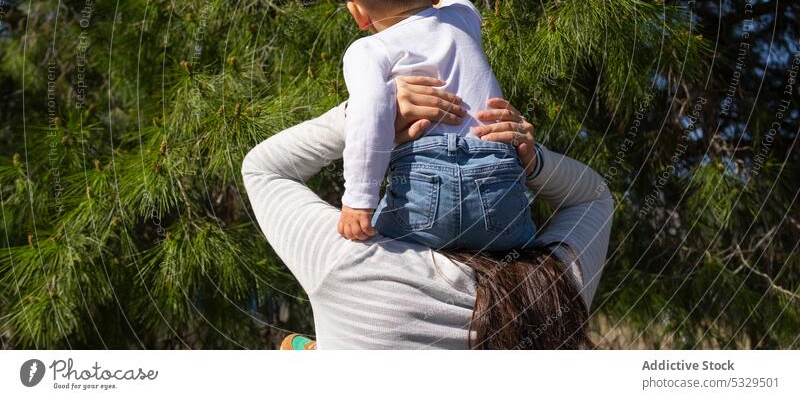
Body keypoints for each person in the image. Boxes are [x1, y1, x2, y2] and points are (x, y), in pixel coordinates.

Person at [241, 77, 614, 349]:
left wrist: (369, 116)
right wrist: (533, 160)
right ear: (508, 183)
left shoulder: (350, 264)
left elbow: (263, 169)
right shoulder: (552, 286)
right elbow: (593, 198)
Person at [338, 0, 535, 251]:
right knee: (523, 249)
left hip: (423, 180)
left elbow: (367, 114)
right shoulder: (463, 18)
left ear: (357, 14)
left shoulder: (367, 50)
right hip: (497, 173)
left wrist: (359, 199)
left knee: (375, 246)